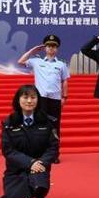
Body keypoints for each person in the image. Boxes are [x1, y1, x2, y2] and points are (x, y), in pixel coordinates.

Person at [0, 85, 59, 198]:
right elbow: (8, 150)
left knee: (38, 182)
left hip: (39, 169)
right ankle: (24, 197)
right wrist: (30, 162)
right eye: (25, 97)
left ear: (38, 100)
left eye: (33, 97)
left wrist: (40, 162)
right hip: (16, 170)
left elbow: (53, 147)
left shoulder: (48, 121)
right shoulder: (9, 123)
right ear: (18, 100)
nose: (29, 101)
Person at [18, 34, 70, 162]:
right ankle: (39, 153)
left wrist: (64, 97)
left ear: (56, 49)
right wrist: (33, 51)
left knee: (54, 127)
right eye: (48, 46)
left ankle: (54, 154)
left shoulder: (61, 65)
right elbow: (20, 62)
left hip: (55, 100)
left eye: (53, 46)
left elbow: (65, 81)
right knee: (38, 125)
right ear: (45, 48)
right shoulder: (37, 61)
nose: (51, 48)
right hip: (39, 100)